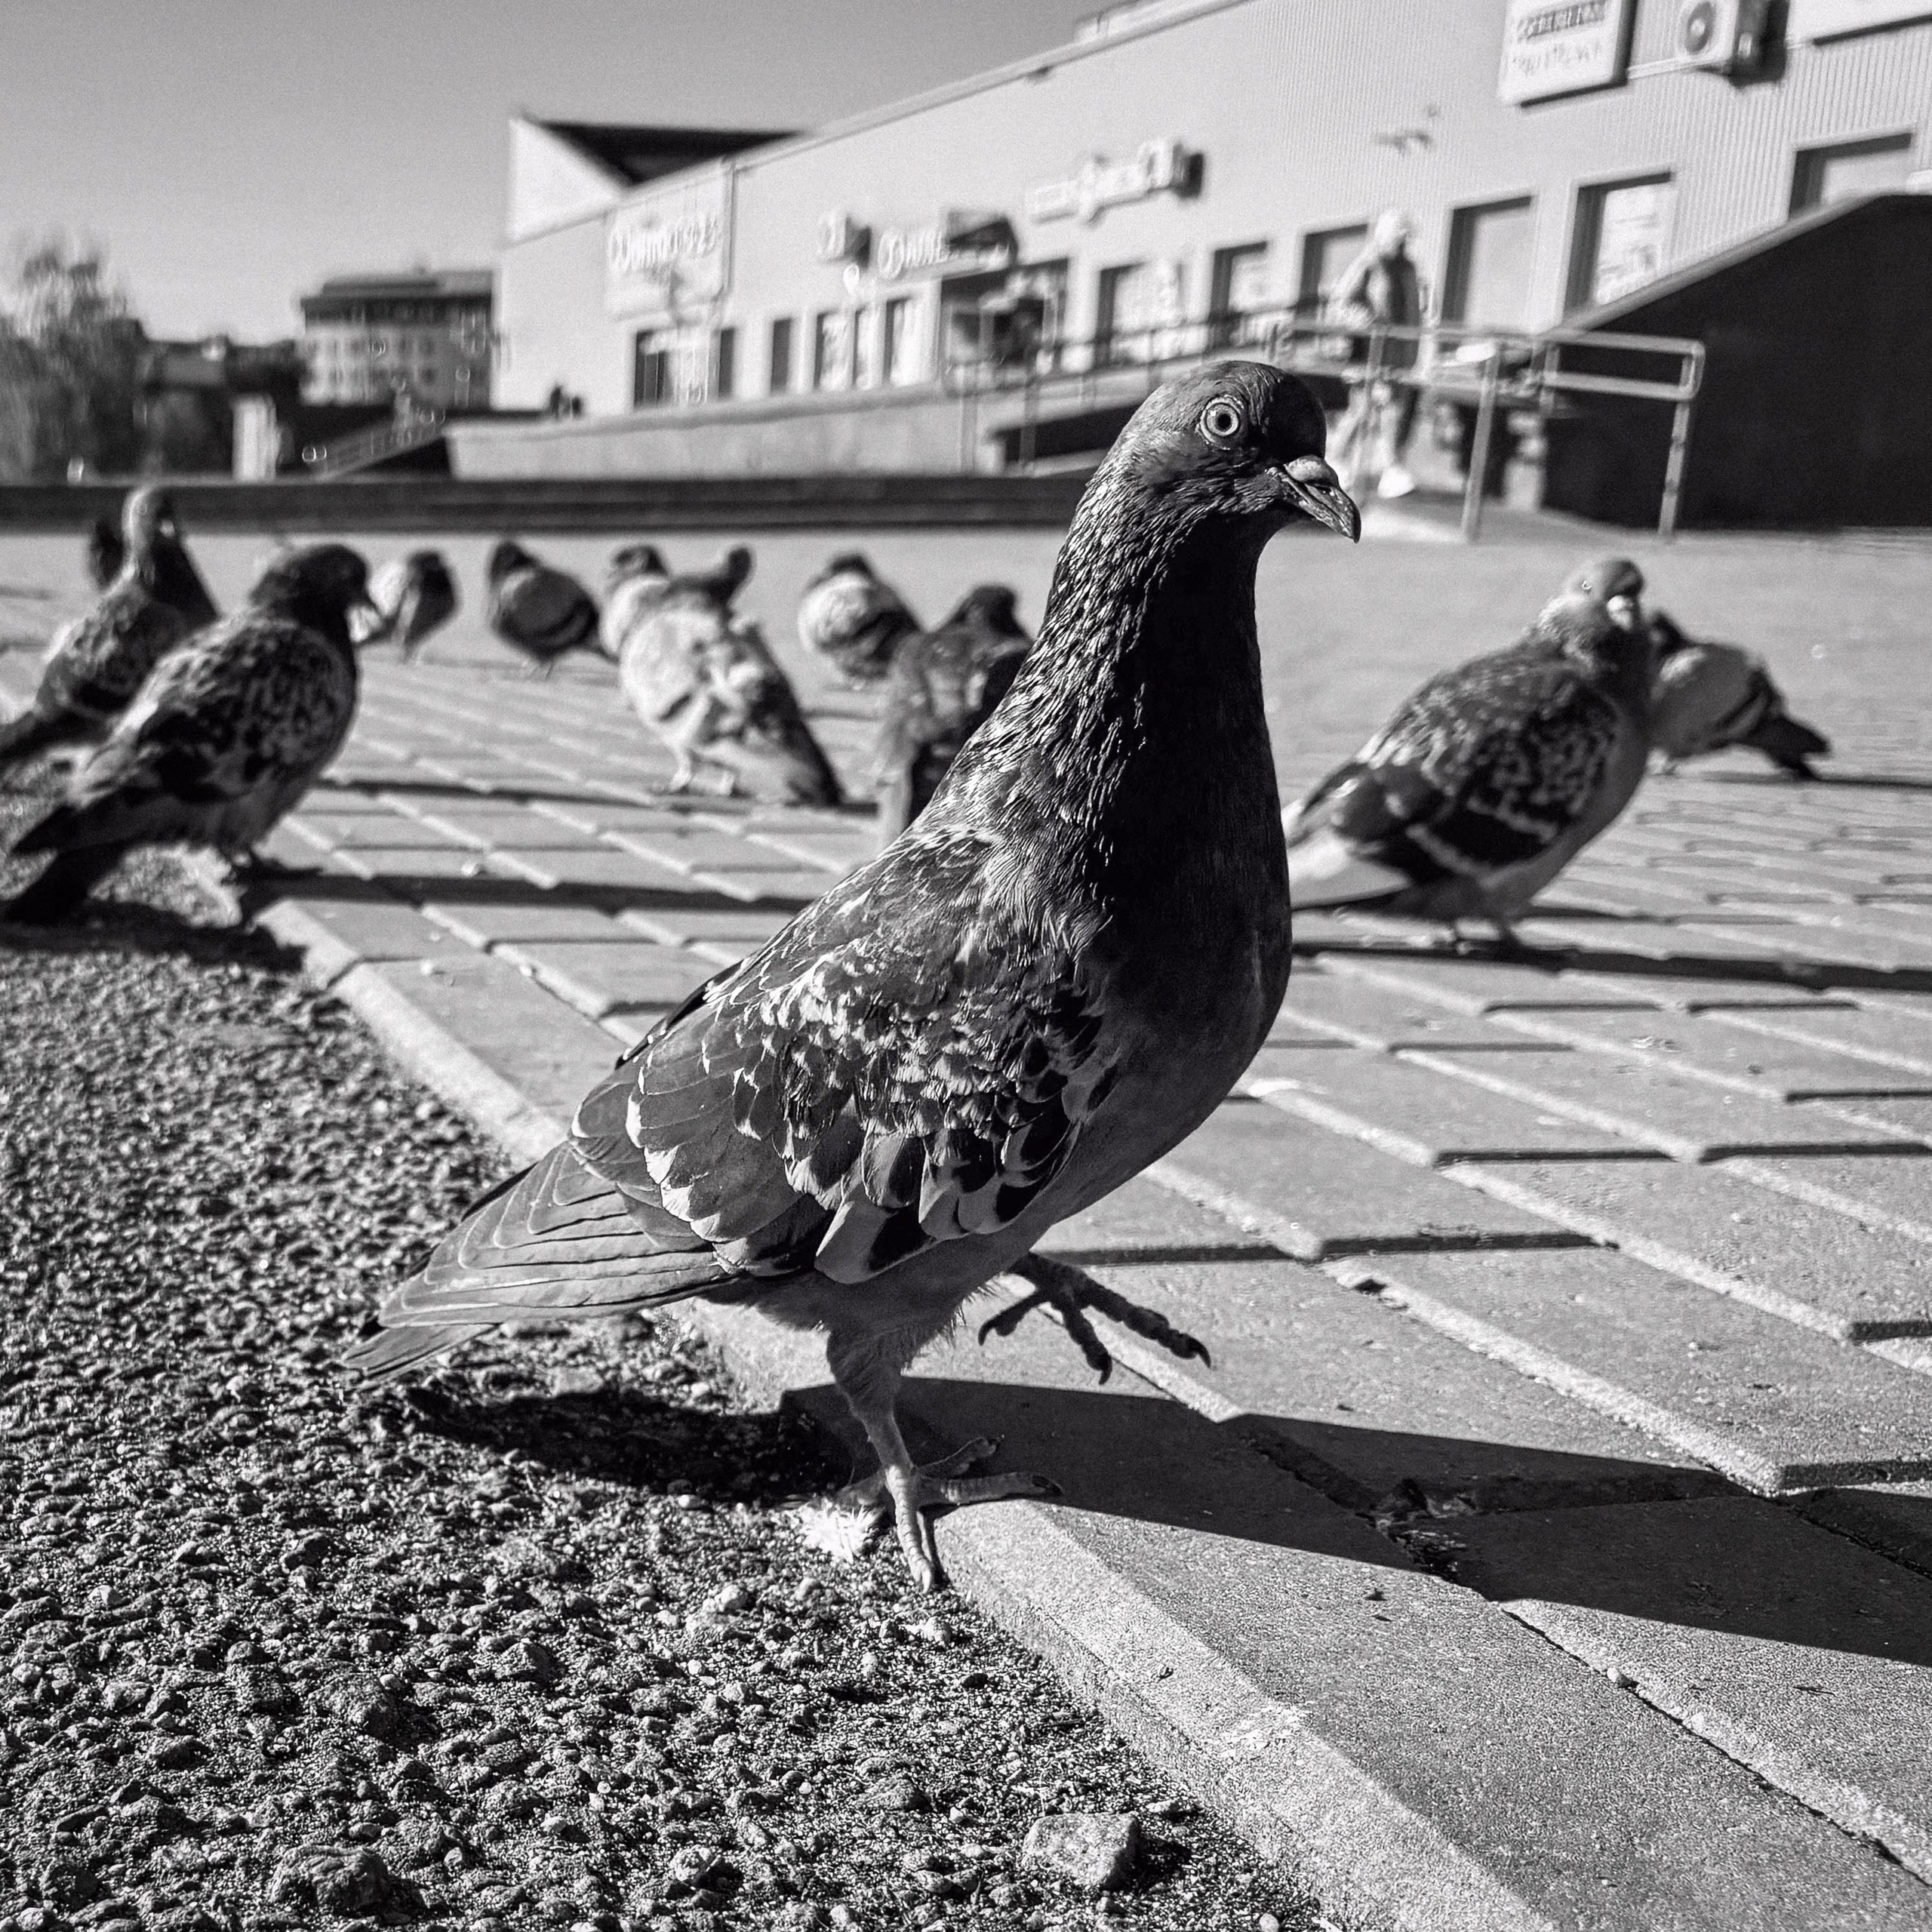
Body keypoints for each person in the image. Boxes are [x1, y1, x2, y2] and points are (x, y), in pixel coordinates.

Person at [1326, 208, 1425, 500]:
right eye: (1399, 237)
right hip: (1371, 353)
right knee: (1362, 410)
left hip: (1401, 353)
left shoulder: (1408, 268)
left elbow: (1411, 311)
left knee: (1394, 411)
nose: (1404, 243)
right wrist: (1366, 320)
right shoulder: (1370, 264)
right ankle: (1337, 460)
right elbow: (1341, 302)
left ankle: (1391, 471)